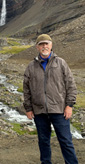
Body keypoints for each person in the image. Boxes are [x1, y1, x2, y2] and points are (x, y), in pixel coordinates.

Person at [23, 34, 78, 164]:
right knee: (43, 141)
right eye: (41, 44)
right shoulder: (31, 66)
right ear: (37, 47)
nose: (44, 46)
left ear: (51, 45)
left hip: (59, 110)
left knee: (66, 140)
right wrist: (28, 108)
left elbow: (71, 85)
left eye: (46, 43)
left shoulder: (61, 63)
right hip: (39, 111)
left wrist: (69, 105)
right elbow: (26, 89)